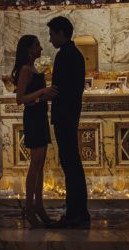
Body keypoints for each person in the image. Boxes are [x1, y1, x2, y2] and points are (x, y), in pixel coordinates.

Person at [47, 16, 91, 229]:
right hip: (69, 114)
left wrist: (44, 94)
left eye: (52, 34)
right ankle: (78, 211)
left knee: (71, 164)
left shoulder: (65, 55)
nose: (50, 39)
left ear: (61, 33)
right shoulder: (74, 54)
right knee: (72, 163)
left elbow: (59, 88)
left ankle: (76, 213)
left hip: (65, 115)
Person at [12, 35, 58, 228]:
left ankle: (39, 206)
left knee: (40, 165)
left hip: (39, 117)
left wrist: (44, 96)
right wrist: (42, 92)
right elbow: (20, 98)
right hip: (32, 118)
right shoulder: (25, 70)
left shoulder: (34, 68)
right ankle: (30, 208)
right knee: (35, 164)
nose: (41, 48)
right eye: (38, 45)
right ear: (30, 50)